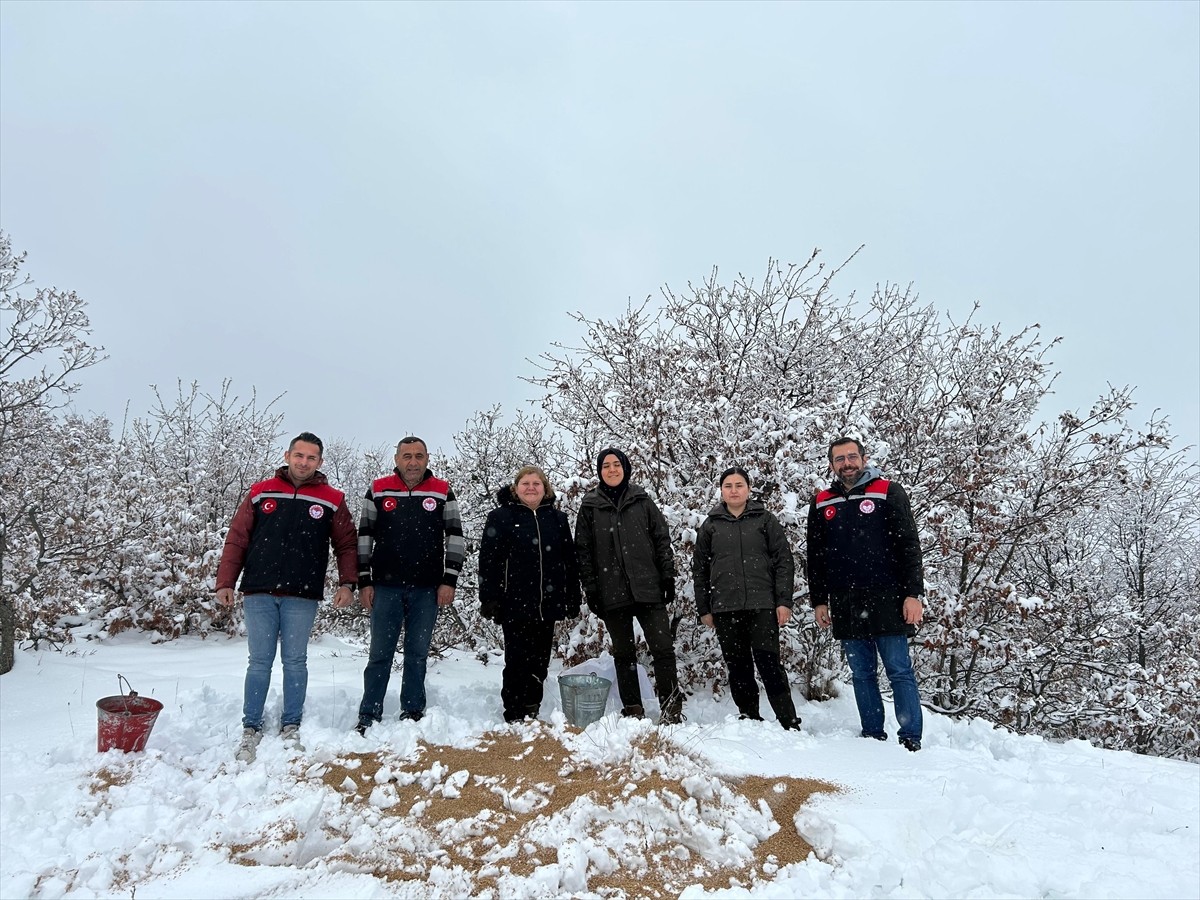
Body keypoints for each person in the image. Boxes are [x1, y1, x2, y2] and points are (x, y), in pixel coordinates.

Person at [216, 432, 358, 763]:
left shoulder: (331, 499)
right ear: (287, 455)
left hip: (301, 594)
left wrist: (347, 583)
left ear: (320, 462)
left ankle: (291, 723)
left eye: (311, 457)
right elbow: (237, 539)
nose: (303, 462)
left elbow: (347, 544)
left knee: (295, 661)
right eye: (299, 455)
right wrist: (226, 581)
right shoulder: (260, 492)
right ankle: (251, 725)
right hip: (259, 590)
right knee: (259, 661)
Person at [806, 437, 925, 751]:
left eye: (852, 457)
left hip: (888, 596)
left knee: (899, 670)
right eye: (840, 459)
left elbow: (909, 546)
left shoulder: (888, 491)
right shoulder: (822, 501)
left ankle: (910, 737)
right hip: (845, 600)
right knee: (861, 672)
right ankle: (872, 736)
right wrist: (819, 599)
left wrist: (914, 594)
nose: (847, 463)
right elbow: (816, 556)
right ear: (832, 465)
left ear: (864, 458)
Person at [354, 436, 465, 733]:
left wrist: (449, 580)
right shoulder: (378, 489)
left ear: (427, 458)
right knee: (379, 654)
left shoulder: (442, 491)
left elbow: (455, 537)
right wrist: (363, 581)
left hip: (427, 589)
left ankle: (413, 710)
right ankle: (369, 713)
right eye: (407, 456)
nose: (412, 462)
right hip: (385, 587)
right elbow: (364, 536)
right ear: (397, 458)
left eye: (418, 456)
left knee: (417, 654)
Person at [574, 447, 683, 724]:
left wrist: (667, 576)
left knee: (663, 650)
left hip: (648, 588)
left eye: (616, 465)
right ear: (599, 471)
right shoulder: (590, 506)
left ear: (625, 468)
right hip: (612, 593)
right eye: (606, 466)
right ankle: (633, 709)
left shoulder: (642, 500)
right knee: (624, 655)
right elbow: (583, 552)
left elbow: (661, 539)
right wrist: (592, 590)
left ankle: (672, 709)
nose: (611, 470)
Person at [693, 466, 801, 730]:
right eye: (728, 486)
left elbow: (783, 561)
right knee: (738, 666)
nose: (733, 490)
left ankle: (789, 721)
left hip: (762, 605)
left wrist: (783, 601)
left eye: (739, 485)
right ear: (721, 490)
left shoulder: (765, 519)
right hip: (725, 607)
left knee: (769, 664)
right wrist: (704, 608)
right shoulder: (711, 525)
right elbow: (700, 569)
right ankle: (750, 718)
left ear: (748, 489)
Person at [478, 466, 581, 722]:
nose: (531, 487)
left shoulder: (557, 519)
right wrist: (489, 597)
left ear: (545, 488)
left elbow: (569, 560)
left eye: (537, 483)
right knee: (516, 660)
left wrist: (572, 595)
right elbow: (489, 561)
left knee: (540, 660)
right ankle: (513, 710)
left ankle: (532, 706)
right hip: (514, 602)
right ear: (516, 487)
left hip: (548, 602)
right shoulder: (500, 517)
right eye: (526, 483)